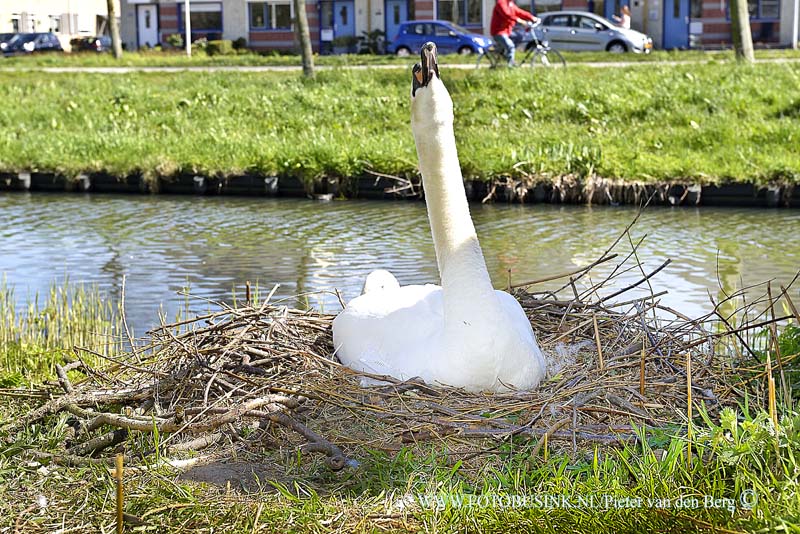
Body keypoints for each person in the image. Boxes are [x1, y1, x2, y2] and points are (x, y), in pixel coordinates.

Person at [490, 0, 539, 67]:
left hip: (508, 31)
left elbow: (520, 12)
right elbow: (506, 14)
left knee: (520, 36)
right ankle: (510, 67)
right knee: (510, 46)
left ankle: (504, 53)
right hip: (499, 32)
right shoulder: (501, 2)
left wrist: (532, 17)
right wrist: (519, 20)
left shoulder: (511, 4)